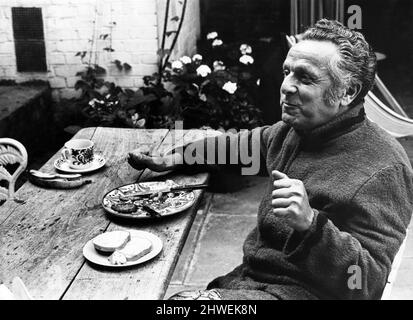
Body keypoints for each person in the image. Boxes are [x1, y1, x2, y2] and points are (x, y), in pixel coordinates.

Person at [128, 19, 413, 300]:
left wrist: (312, 225)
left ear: (347, 92)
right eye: (287, 72)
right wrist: (177, 157)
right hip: (248, 283)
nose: (286, 86)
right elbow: (239, 147)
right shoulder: (295, 131)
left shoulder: (385, 169)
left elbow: (365, 284)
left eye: (305, 77)